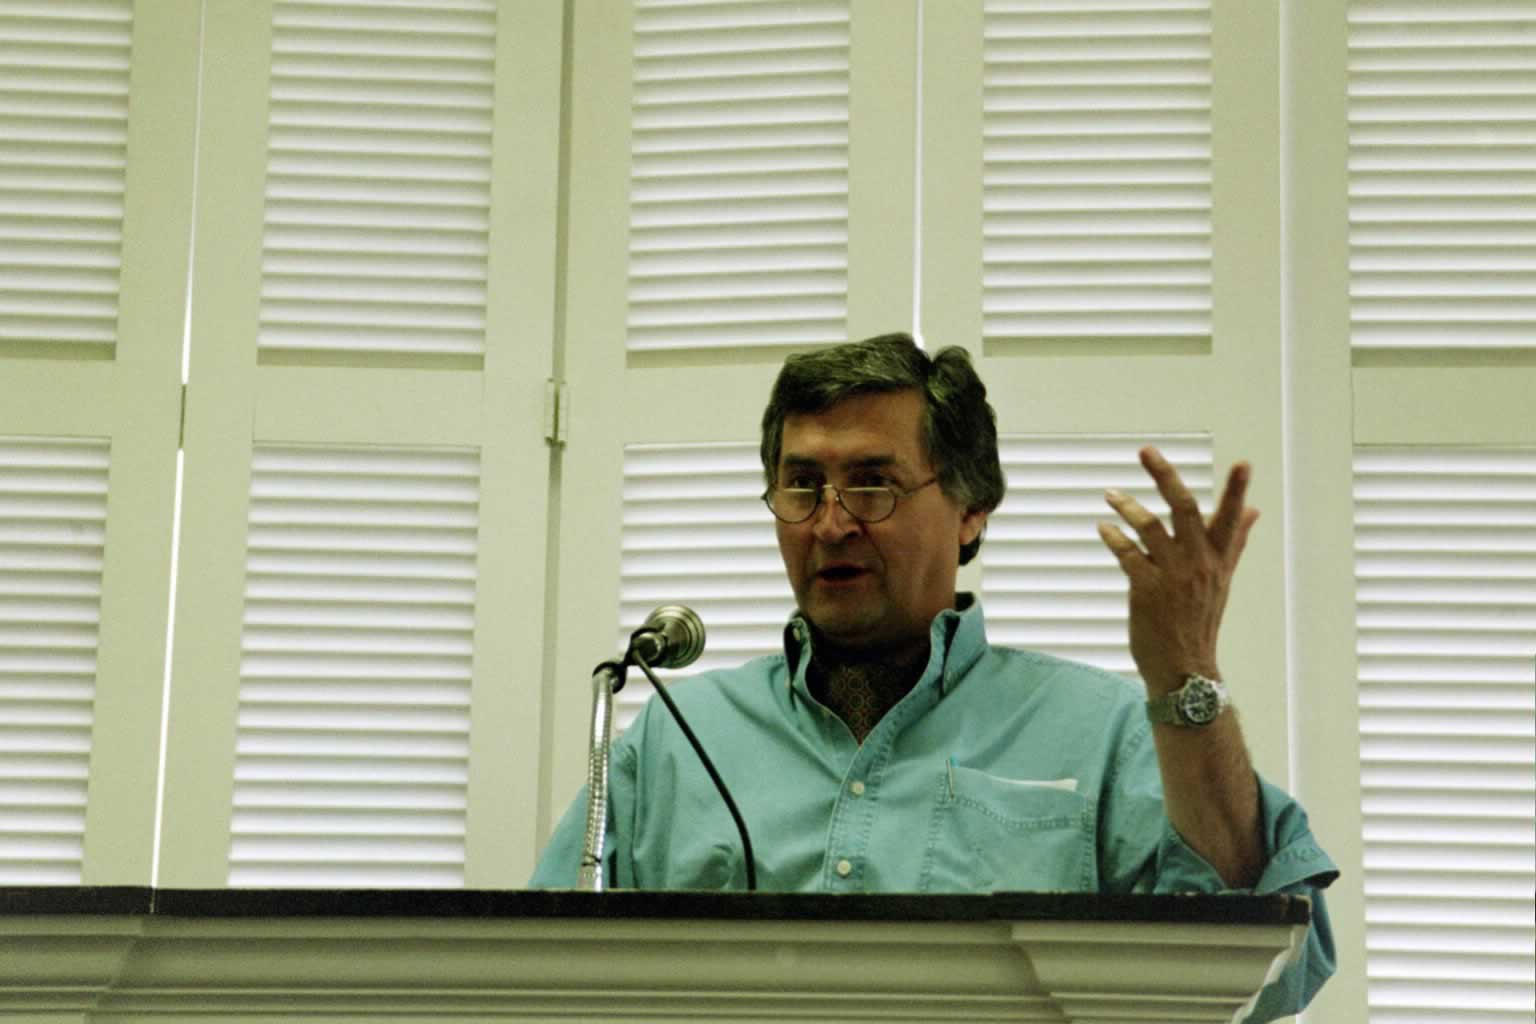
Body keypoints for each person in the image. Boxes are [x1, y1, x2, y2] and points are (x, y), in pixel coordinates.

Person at [531, 333, 1337, 1019]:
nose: (832, 522)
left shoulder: (1106, 731)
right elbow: (533, 980)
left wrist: (1186, 671)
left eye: (873, 483)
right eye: (803, 484)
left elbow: (1279, 967)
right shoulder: (678, 735)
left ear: (971, 508)